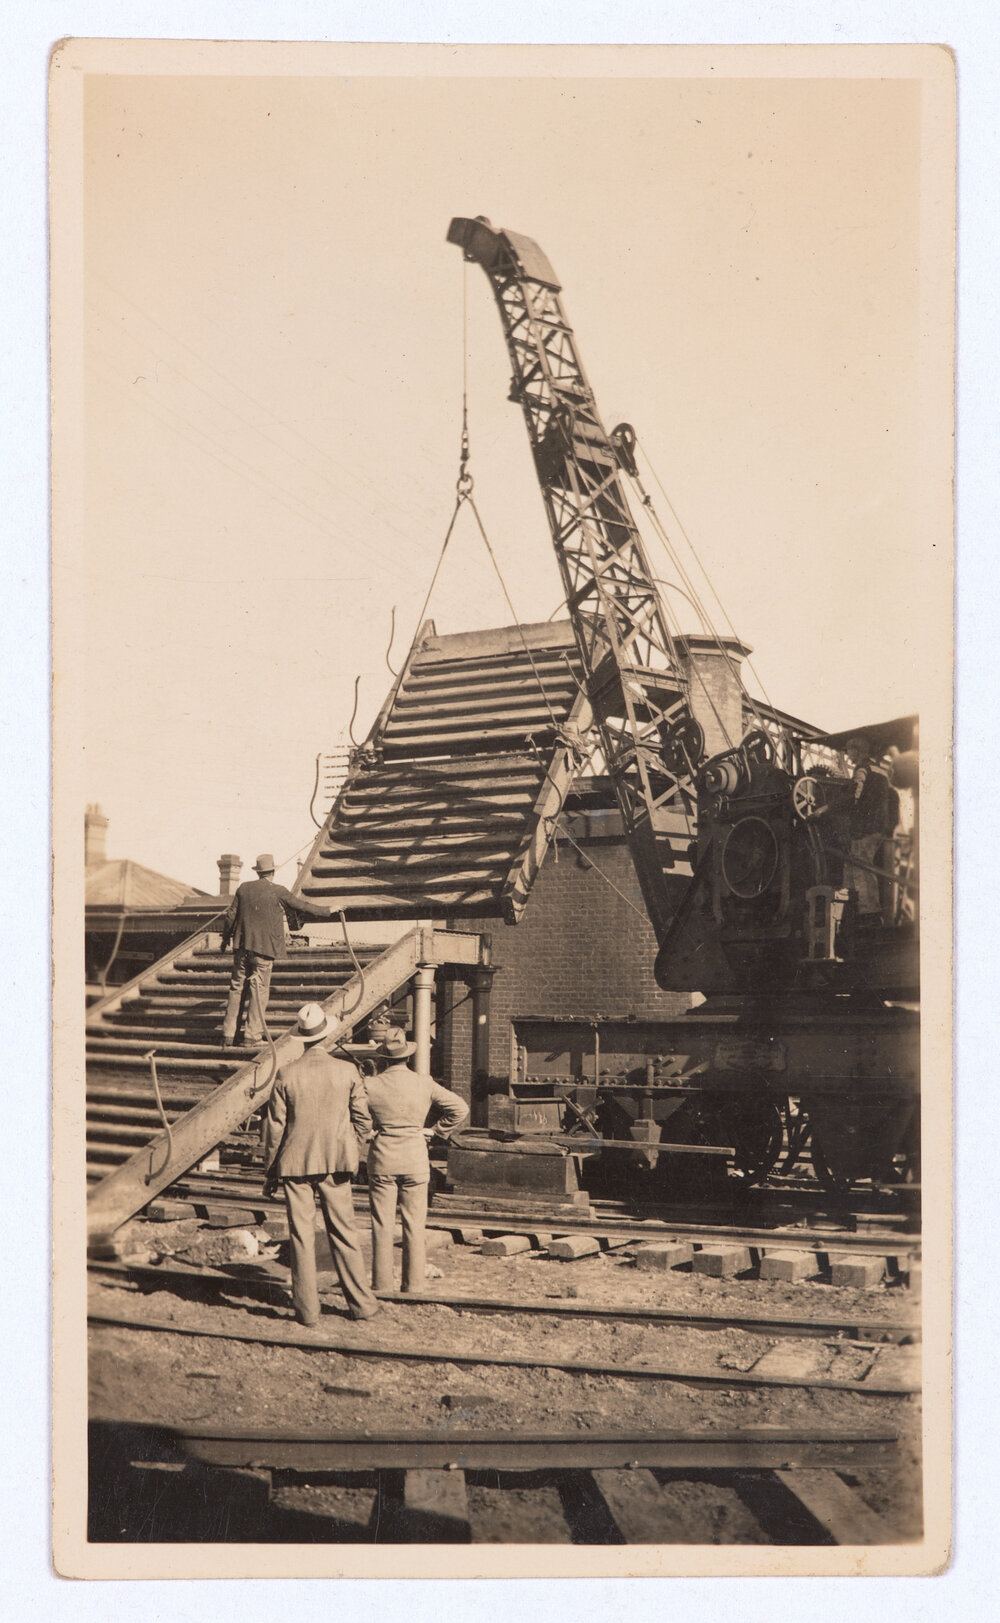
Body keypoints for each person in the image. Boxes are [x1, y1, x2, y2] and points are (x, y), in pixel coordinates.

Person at [261, 1002, 378, 1326]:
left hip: (295, 1164)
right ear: (325, 1035)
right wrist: (354, 1144)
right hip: (336, 1162)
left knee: (301, 1236)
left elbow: (275, 1128)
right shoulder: (347, 1071)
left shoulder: (287, 1073)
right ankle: (362, 1306)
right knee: (344, 1232)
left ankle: (307, 1312)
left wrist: (271, 1170)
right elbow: (363, 1120)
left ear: (301, 1038)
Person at [357, 1029, 468, 1294]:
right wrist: (436, 1130)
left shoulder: (370, 1085)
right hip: (416, 1160)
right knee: (415, 1225)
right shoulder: (424, 1083)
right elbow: (460, 1108)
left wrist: (371, 1132)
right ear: (407, 1055)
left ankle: (381, 1285)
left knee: (382, 1225)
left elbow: (357, 1119)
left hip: (383, 1159)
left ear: (383, 1057)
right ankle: (414, 1285)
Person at [221, 853, 334, 1047]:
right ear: (272, 871)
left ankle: (228, 1036)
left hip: (241, 949)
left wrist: (225, 939)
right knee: (259, 991)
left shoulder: (243, 888)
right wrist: (329, 910)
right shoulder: (278, 890)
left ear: (258, 872)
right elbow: (302, 905)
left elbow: (230, 916)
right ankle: (251, 1037)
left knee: (236, 989)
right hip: (264, 951)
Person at [843, 737, 899, 919]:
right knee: (853, 866)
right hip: (879, 828)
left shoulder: (862, 770)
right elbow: (893, 797)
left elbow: (854, 798)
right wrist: (889, 825)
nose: (847, 755)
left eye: (849, 750)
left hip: (864, 830)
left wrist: (829, 809)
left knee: (861, 867)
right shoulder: (881, 771)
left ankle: (868, 913)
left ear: (857, 751)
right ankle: (853, 909)